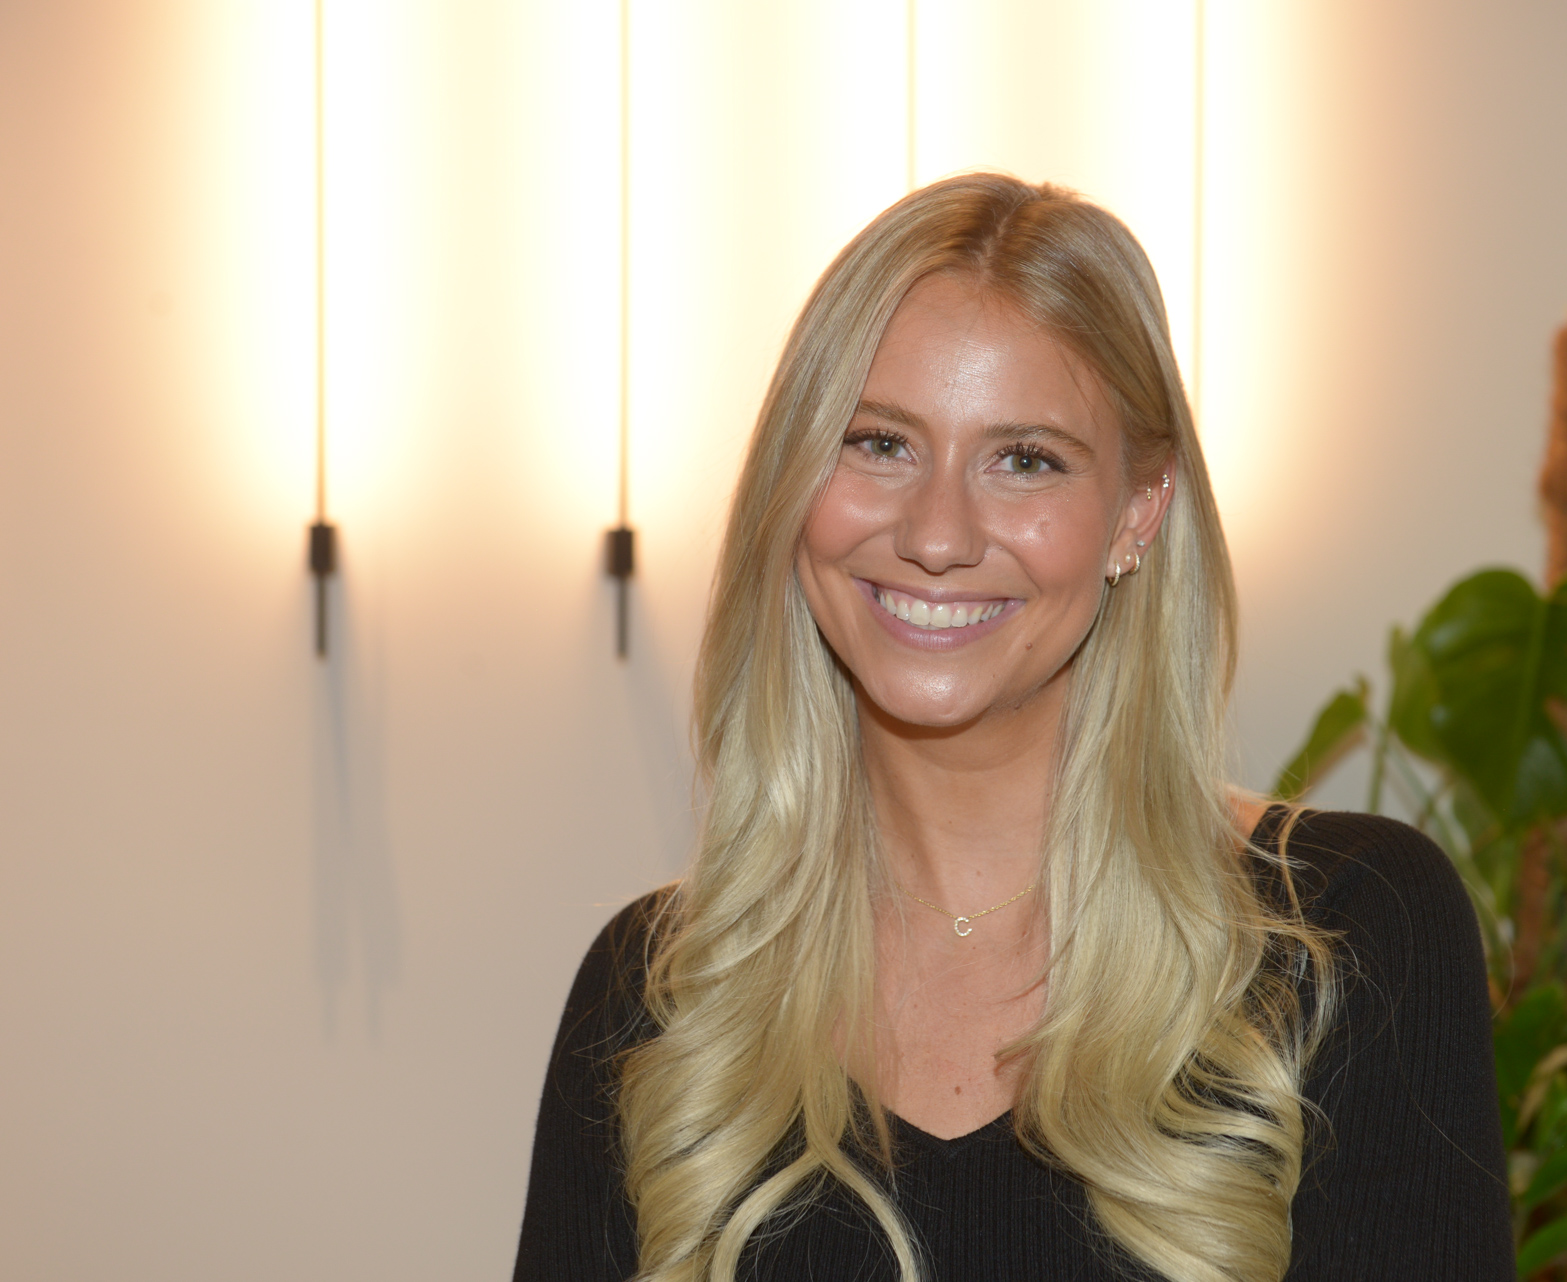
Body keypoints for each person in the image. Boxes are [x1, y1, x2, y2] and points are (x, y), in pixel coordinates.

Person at [514, 173, 1513, 1281]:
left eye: (1025, 459)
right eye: (878, 442)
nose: (937, 535)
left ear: (1138, 510)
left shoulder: (1348, 936)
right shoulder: (660, 997)